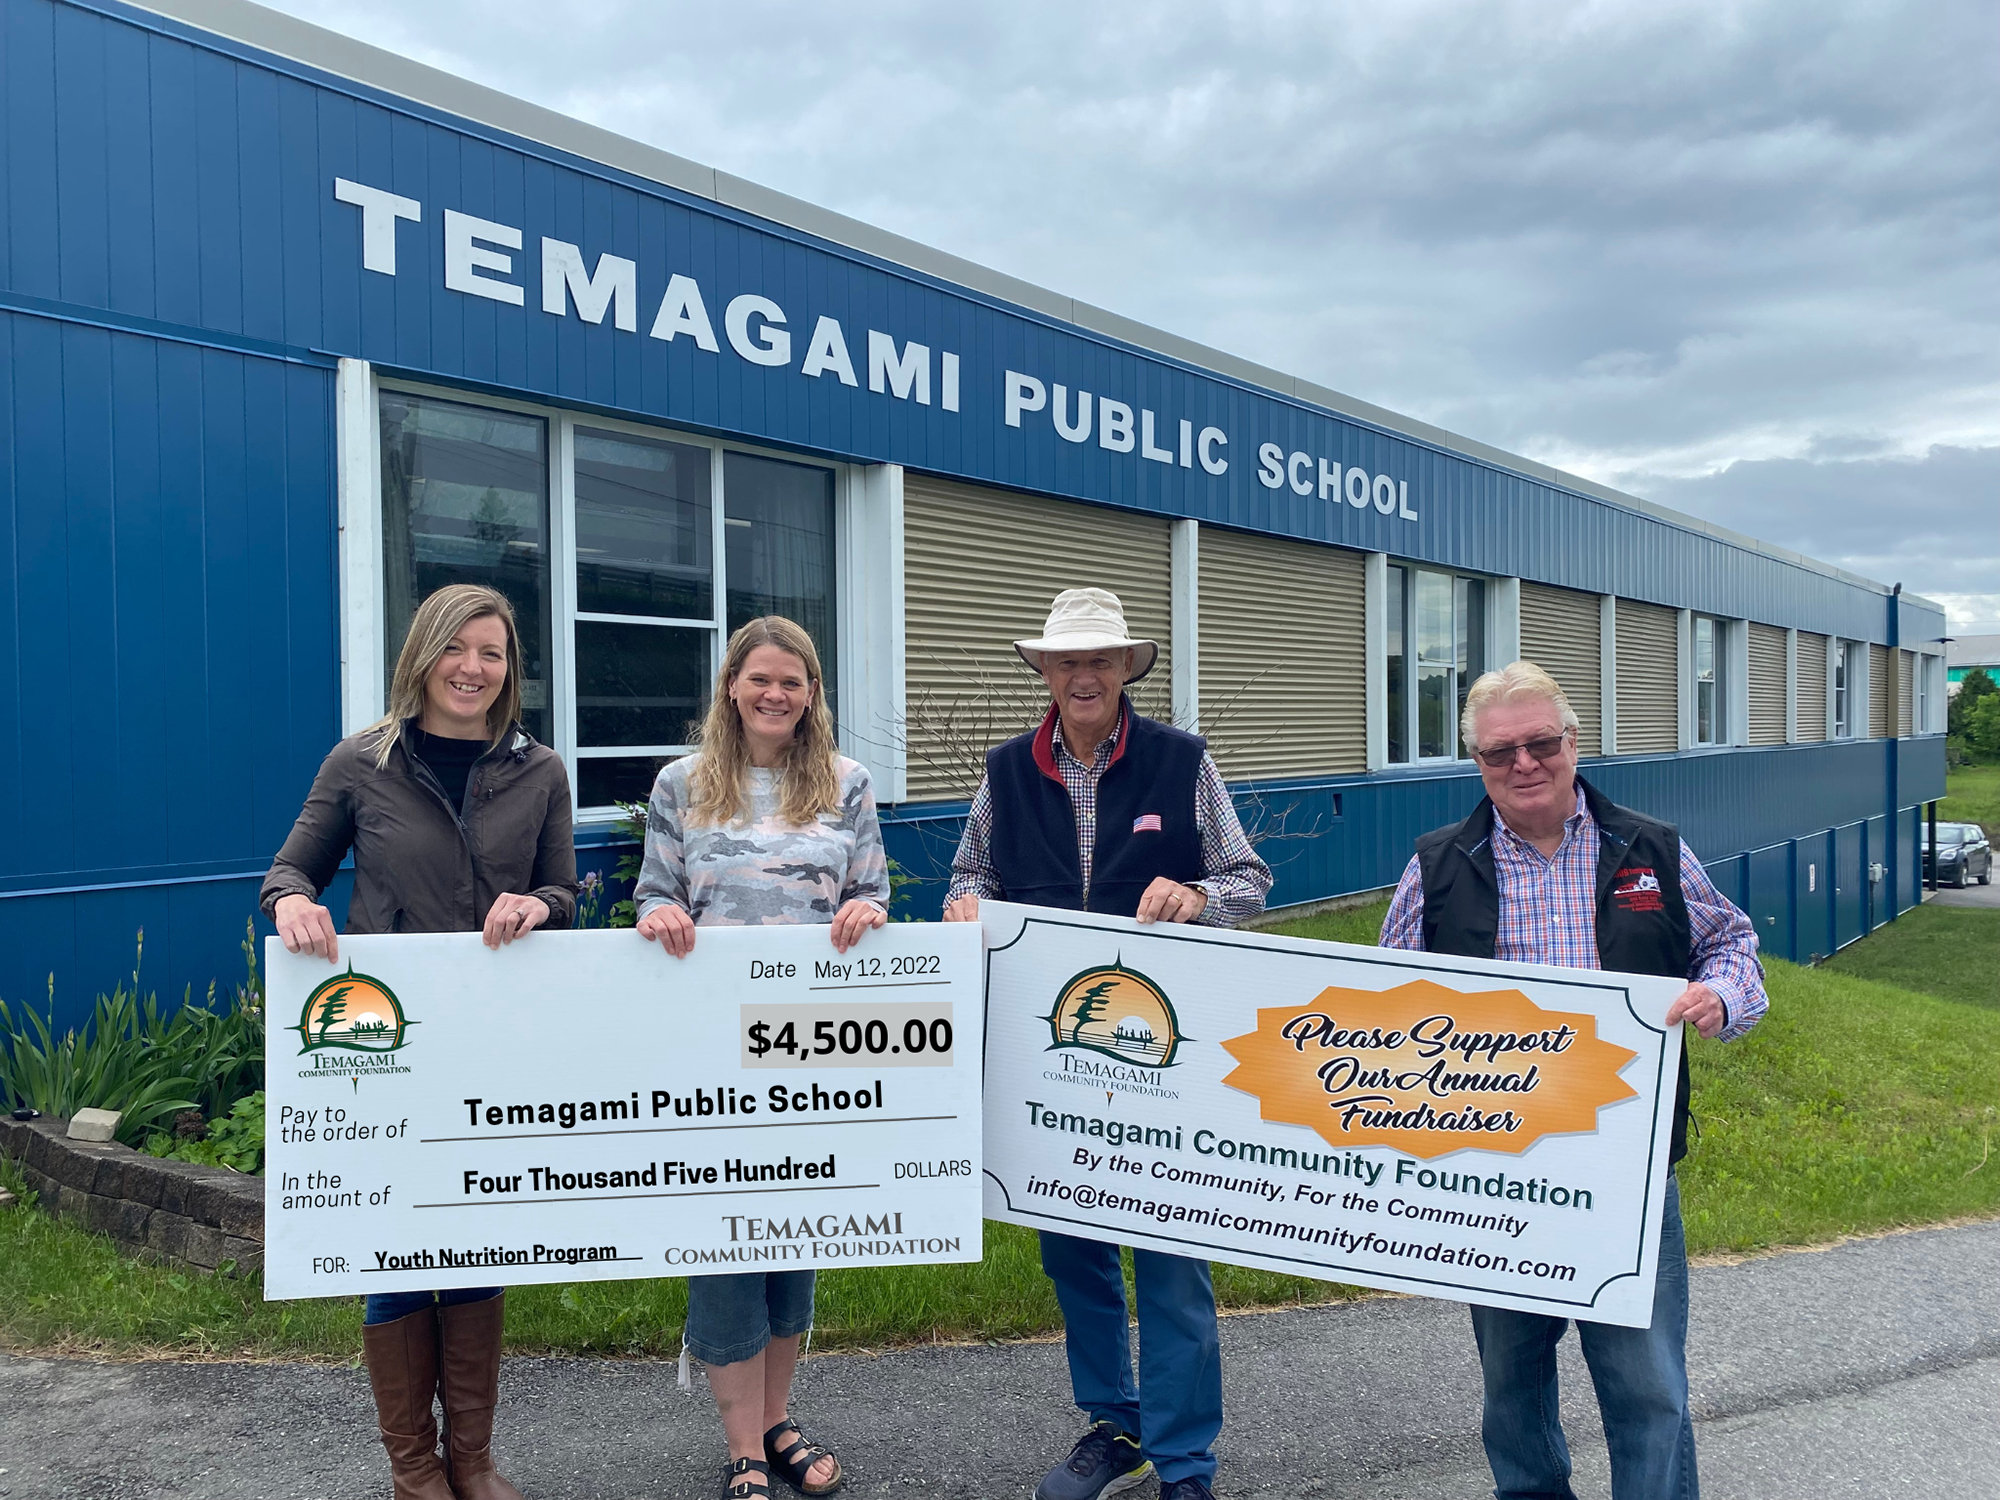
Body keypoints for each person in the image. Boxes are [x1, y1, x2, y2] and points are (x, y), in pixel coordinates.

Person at [1379, 660, 1767, 1500]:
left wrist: (1720, 996)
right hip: (1493, 1170)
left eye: (1540, 743)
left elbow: (1731, 944)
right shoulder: (1437, 866)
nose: (1523, 764)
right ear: (1477, 763)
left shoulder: (1651, 849)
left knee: (1647, 1382)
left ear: (1574, 743)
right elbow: (1385, 1007)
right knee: (1511, 1381)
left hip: (1627, 1164)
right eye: (1499, 752)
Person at [943, 587, 1273, 1500]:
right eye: (1067, 662)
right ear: (1045, 672)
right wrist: (964, 906)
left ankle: (1185, 1461)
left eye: (1099, 660)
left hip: (1163, 1050)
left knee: (1171, 1260)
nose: (1082, 676)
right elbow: (971, 872)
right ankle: (1118, 1424)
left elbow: (1249, 877)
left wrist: (1199, 897)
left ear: (1126, 668)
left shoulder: (1180, 760)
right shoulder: (1008, 770)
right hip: (1051, 1052)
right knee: (1073, 1252)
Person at [261, 583, 577, 1500]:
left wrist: (540, 905)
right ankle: (415, 1471)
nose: (473, 668)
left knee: (477, 1239)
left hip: (496, 1040)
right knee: (398, 1250)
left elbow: (563, 891)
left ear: (511, 668)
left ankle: (471, 1461)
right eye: (456, 648)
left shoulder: (540, 770)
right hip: (388, 1050)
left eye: (492, 653)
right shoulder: (362, 761)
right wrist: (292, 902)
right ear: (423, 654)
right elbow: (290, 869)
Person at [634, 615, 889, 1500]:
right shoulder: (681, 783)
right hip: (710, 1051)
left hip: (812, 1051)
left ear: (812, 693)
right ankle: (741, 1444)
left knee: (793, 1237)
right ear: (732, 687)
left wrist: (869, 912)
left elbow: (870, 892)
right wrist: (659, 915)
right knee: (725, 1241)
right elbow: (655, 892)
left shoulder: (849, 784)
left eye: (792, 681)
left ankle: (778, 1420)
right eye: (760, 679)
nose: (775, 694)